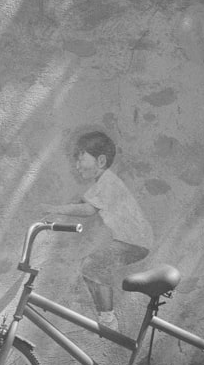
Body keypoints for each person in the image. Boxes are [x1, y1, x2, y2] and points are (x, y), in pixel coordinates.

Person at [43, 131, 153, 332]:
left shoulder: (107, 182)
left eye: (81, 158)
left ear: (100, 161)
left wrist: (54, 209)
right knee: (90, 268)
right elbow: (85, 204)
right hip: (133, 239)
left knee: (94, 266)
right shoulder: (104, 182)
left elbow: (86, 209)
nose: (77, 165)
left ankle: (108, 319)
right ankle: (104, 315)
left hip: (136, 241)